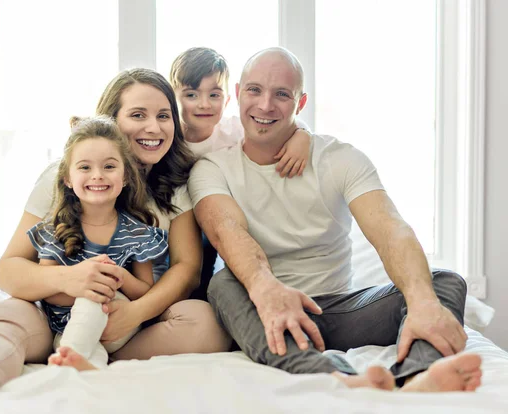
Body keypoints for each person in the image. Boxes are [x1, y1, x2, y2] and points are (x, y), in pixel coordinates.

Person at [0, 69, 231, 409]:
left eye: (164, 116)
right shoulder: (64, 177)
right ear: (111, 120)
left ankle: (86, 355)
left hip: (128, 324)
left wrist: (134, 314)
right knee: (5, 313)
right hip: (53, 315)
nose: (153, 127)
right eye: (138, 115)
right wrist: (72, 279)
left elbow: (187, 270)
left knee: (204, 321)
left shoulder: (178, 183)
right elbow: (10, 269)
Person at [187, 47, 483, 392]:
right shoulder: (212, 168)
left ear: (300, 103)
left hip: (339, 310)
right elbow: (227, 231)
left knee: (443, 282)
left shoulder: (340, 159)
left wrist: (422, 303)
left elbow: (389, 229)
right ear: (238, 94)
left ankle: (416, 378)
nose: (265, 105)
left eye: (282, 94)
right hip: (264, 309)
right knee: (222, 284)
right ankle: (338, 378)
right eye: (254, 90)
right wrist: (267, 288)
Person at [170, 47, 312, 299]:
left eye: (214, 94)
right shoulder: (169, 136)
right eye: (191, 94)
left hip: (215, 219)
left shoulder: (233, 131)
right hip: (177, 219)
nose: (204, 104)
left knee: (217, 255)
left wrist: (303, 136)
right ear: (173, 98)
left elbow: (286, 124)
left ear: (227, 99)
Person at [28, 116, 169, 368]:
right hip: (66, 328)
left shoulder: (136, 232)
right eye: (84, 168)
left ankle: (70, 360)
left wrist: (118, 278)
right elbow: (46, 290)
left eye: (109, 167)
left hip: (116, 323)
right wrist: (83, 286)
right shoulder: (56, 228)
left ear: (125, 176)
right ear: (67, 179)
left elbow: (145, 291)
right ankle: (82, 364)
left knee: (95, 302)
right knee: (78, 341)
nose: (97, 176)